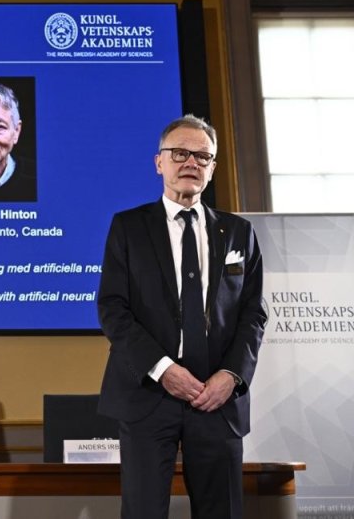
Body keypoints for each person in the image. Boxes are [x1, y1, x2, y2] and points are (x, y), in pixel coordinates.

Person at [96, 114, 267, 518]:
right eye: (180, 153)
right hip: (149, 395)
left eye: (202, 156)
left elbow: (253, 313)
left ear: (212, 167)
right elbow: (113, 309)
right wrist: (163, 369)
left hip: (217, 400)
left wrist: (232, 376)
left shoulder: (239, 233)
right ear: (160, 162)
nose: (191, 162)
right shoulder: (128, 227)